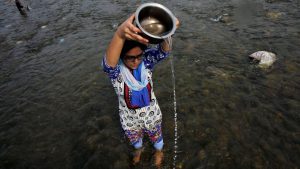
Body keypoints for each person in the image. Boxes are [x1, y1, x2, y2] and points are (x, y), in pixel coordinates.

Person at [102, 13, 179, 167]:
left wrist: (167, 31)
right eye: (131, 57)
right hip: (130, 120)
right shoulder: (117, 73)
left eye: (139, 56)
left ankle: (158, 151)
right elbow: (107, 65)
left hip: (152, 116)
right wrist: (119, 34)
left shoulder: (147, 62)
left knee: (157, 139)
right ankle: (139, 149)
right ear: (122, 56)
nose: (136, 61)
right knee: (135, 142)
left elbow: (164, 51)